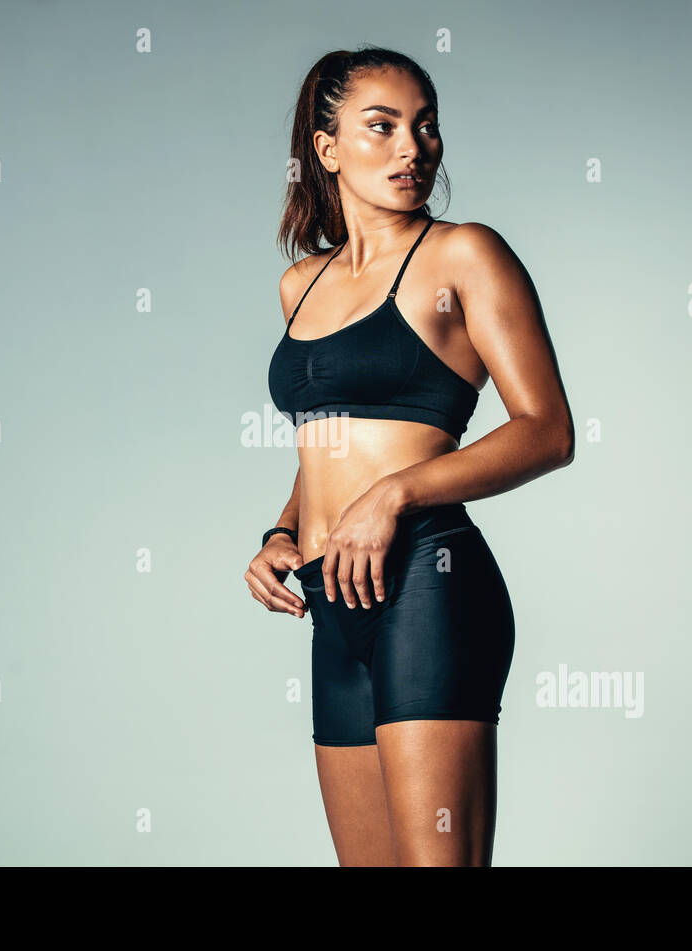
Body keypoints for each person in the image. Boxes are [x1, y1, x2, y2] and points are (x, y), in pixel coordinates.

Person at [246, 46, 574, 866]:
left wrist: (393, 495)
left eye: (424, 127)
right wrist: (278, 533)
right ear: (326, 149)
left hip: (428, 583)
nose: (412, 147)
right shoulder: (303, 285)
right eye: (382, 126)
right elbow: (327, 433)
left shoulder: (465, 255)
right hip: (330, 597)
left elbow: (547, 429)